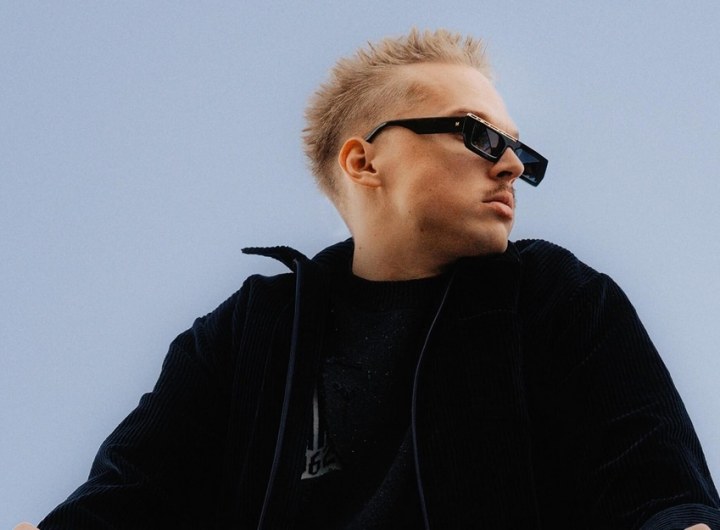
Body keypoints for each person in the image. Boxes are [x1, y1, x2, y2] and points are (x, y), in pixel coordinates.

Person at [23, 28, 719, 529]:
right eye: (479, 135)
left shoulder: (556, 298)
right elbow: (127, 500)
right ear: (364, 162)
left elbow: (659, 492)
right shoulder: (248, 334)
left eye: (519, 151)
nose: (511, 165)